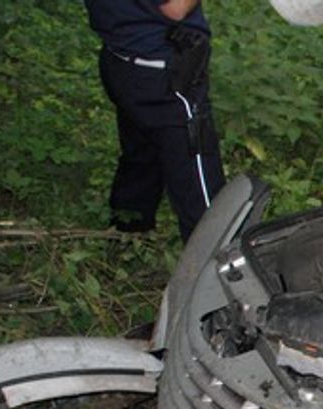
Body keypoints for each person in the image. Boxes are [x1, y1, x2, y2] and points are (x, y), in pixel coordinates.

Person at [84, 0, 226, 242]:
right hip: (163, 77)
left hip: (122, 57)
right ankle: (213, 264)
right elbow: (175, 7)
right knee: (200, 188)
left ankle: (127, 236)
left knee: (141, 155)